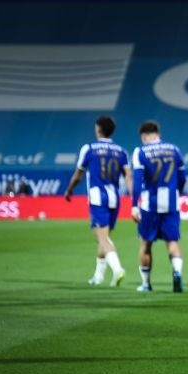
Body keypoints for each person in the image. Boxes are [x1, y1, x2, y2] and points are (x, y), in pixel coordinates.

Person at [63, 115, 131, 286]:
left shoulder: (89, 148)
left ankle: (117, 270)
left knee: (102, 238)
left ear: (98, 128)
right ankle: (98, 276)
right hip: (114, 198)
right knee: (104, 237)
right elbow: (128, 176)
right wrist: (134, 198)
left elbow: (79, 174)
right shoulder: (121, 151)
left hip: (97, 197)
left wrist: (69, 189)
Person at [130, 120, 186, 293]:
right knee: (172, 242)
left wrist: (134, 205)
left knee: (146, 244)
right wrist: (178, 193)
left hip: (150, 204)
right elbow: (182, 176)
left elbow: (138, 180)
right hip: (171, 201)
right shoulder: (174, 149)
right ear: (158, 133)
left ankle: (146, 284)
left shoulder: (140, 151)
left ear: (145, 136)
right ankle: (177, 273)